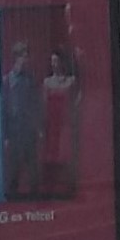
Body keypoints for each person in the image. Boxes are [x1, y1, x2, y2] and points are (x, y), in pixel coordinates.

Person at [40, 46, 82, 197]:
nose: (54, 64)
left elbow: (76, 101)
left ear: (62, 62)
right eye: (52, 61)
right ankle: (51, 188)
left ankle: (69, 188)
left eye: (56, 61)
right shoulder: (47, 82)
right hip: (52, 126)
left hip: (65, 124)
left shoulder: (71, 81)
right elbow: (44, 105)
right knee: (51, 156)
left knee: (66, 155)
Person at [2, 42, 41, 197]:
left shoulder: (30, 79)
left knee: (32, 167)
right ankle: (12, 198)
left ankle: (36, 201)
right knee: (14, 167)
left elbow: (36, 104)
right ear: (17, 57)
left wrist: (38, 127)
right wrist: (5, 135)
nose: (26, 59)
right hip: (14, 130)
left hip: (28, 129)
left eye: (27, 56)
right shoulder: (7, 80)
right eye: (24, 56)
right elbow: (4, 108)